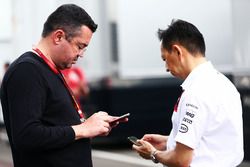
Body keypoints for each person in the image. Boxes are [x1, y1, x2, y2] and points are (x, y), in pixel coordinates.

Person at [0, 4, 126, 167]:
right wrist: (83, 129)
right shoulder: (27, 70)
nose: (81, 54)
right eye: (79, 46)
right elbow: (26, 135)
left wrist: (92, 125)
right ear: (58, 36)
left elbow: (55, 124)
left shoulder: (48, 69)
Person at [132, 19, 244, 167]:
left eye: (165, 58)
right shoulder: (225, 84)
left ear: (178, 52)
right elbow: (211, 137)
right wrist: (169, 141)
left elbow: (181, 159)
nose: (166, 67)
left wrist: (153, 154)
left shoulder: (195, 93)